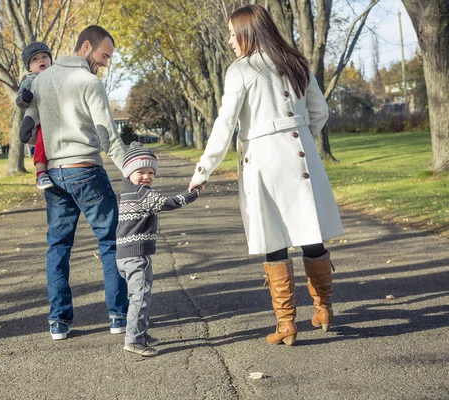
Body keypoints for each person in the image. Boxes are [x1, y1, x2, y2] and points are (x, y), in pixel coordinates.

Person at [188, 5, 344, 346]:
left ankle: (287, 325)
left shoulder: (241, 70)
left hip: (264, 160)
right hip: (301, 156)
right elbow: (320, 111)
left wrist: (202, 171)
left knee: (274, 239)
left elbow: (225, 124)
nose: (229, 41)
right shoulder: (297, 62)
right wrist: (301, 134)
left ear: (248, 32)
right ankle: (324, 309)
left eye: (232, 33)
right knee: (309, 232)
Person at [27, 25, 130, 340]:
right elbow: (106, 135)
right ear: (86, 47)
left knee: (58, 246)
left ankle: (58, 322)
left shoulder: (40, 80)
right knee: (110, 241)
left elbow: (30, 128)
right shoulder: (90, 82)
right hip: (85, 169)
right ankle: (118, 316)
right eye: (103, 55)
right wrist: (131, 167)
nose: (105, 63)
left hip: (54, 173)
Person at [116, 143, 200, 357]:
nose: (146, 176)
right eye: (140, 172)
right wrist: (191, 195)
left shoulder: (128, 190)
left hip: (125, 254)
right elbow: (165, 203)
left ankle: (139, 333)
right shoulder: (141, 192)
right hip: (136, 254)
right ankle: (134, 340)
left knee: (137, 295)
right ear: (128, 172)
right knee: (140, 297)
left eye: (151, 172)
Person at [16, 41, 54, 190]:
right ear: (29, 67)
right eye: (35, 59)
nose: (41, 60)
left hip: (57, 114)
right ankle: (41, 173)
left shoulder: (56, 76)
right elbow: (20, 102)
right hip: (39, 116)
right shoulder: (30, 80)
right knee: (42, 139)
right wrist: (25, 97)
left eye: (45, 56)